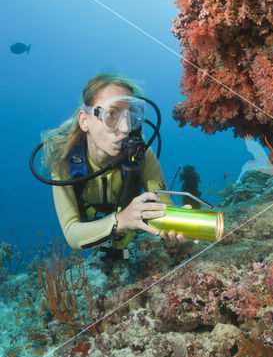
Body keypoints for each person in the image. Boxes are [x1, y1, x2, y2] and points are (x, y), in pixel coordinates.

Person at [40, 74, 195, 259]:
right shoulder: (64, 161)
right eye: (111, 115)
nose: (125, 128)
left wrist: (180, 224)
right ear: (84, 121)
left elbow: (163, 207)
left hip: (128, 222)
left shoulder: (142, 156)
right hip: (98, 221)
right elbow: (72, 233)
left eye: (130, 116)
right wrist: (121, 220)